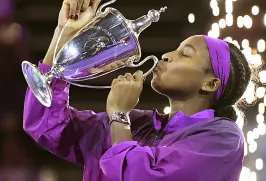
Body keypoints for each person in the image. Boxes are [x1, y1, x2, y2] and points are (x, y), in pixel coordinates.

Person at [23, 0, 251, 180]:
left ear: (210, 83)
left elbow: (141, 175)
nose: (167, 55)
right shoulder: (141, 124)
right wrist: (64, 33)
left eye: (185, 54)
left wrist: (119, 115)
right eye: (175, 49)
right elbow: (47, 124)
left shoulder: (222, 139)